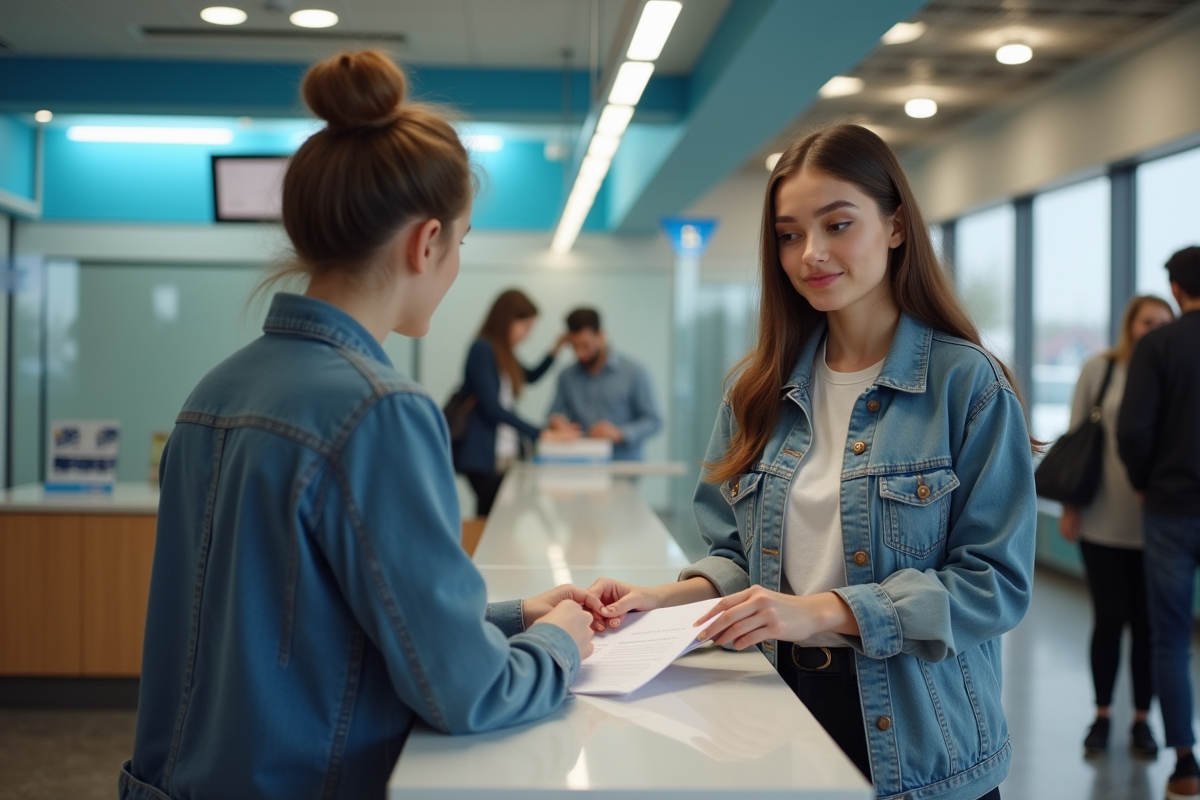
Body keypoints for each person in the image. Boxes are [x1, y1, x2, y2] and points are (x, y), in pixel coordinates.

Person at [119, 51, 600, 800]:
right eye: (461, 245)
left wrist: (507, 616)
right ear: (426, 242)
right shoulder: (379, 408)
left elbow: (313, 624)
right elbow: (468, 693)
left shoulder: (214, 390)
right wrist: (558, 645)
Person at [587, 124, 1036, 800]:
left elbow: (993, 585)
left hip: (920, 740)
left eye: (837, 224)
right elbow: (740, 557)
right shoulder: (756, 391)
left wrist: (821, 611)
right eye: (790, 234)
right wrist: (662, 599)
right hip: (775, 703)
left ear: (894, 226)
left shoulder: (965, 386)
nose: (811, 254)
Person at [1059, 295, 1174, 758]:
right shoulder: (1100, 370)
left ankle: (1143, 721)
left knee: (1149, 627)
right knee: (1109, 620)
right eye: (1148, 321)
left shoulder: (1175, 370)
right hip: (1103, 519)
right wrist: (1071, 507)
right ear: (1130, 325)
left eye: (1164, 322)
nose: (1155, 330)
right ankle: (1103, 714)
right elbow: (1074, 439)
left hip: (1157, 524)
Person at [1118, 246, 1200, 800]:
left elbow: (1133, 431)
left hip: (1171, 506)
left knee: (1169, 635)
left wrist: (1145, 480)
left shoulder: (1158, 346)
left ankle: (1185, 763)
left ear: (1175, 289)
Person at [454, 289, 570, 516]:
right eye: (526, 327)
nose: (528, 335)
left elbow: (531, 376)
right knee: (492, 518)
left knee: (501, 518)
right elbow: (492, 408)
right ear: (507, 320)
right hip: (484, 455)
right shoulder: (482, 349)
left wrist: (556, 349)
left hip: (505, 452)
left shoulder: (503, 353)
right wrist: (540, 432)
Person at [546, 307, 663, 460]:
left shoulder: (634, 372)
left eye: (585, 345)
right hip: (580, 464)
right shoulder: (566, 376)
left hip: (623, 466)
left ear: (601, 336)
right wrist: (555, 423)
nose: (580, 354)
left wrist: (619, 433)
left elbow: (654, 421)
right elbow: (552, 416)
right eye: (575, 347)